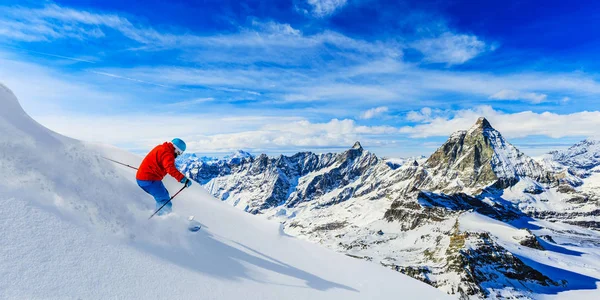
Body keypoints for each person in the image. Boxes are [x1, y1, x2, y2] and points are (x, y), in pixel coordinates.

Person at [136, 138, 192, 215]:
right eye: (179, 153)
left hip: (143, 178)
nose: (178, 155)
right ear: (176, 149)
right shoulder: (168, 154)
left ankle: (161, 216)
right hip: (149, 180)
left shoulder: (161, 147)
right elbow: (170, 168)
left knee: (163, 195)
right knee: (164, 201)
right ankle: (162, 220)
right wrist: (183, 179)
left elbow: (155, 161)